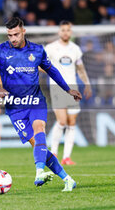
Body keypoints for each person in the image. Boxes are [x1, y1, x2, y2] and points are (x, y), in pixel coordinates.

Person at [0, 17, 82, 191]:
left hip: (35, 101)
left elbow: (52, 71)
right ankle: (67, 179)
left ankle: (39, 172)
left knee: (39, 129)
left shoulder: (37, 50)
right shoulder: (0, 51)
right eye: (9, 35)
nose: (12, 38)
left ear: (23, 31)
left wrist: (67, 89)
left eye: (16, 34)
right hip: (15, 108)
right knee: (38, 145)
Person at [45, 20, 92, 165]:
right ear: (59, 32)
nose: (65, 32)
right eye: (63, 30)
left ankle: (66, 157)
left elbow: (80, 68)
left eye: (68, 30)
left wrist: (87, 84)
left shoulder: (75, 49)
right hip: (57, 88)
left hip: (73, 89)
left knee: (72, 123)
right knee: (62, 121)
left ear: (71, 32)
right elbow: (42, 66)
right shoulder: (51, 48)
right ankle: (53, 153)